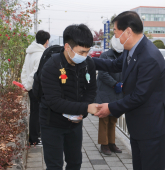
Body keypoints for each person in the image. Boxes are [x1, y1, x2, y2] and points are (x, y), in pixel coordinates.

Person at [92, 11, 165, 170]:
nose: (115, 36)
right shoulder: (131, 49)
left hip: (151, 129)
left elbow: (139, 96)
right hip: (138, 126)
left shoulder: (150, 57)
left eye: (115, 32)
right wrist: (88, 61)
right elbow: (114, 65)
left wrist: (111, 108)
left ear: (128, 31)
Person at [39, 24, 97, 170]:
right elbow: (55, 102)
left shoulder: (87, 63)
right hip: (52, 122)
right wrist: (86, 108)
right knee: (55, 166)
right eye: (81, 52)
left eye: (87, 52)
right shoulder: (51, 66)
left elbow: (91, 90)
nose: (84, 56)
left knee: (75, 163)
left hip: (75, 123)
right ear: (67, 47)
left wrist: (81, 113)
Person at [21, 30, 50, 145]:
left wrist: (25, 85)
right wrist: (28, 86)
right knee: (37, 113)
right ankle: (35, 138)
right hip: (36, 88)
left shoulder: (30, 52)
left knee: (34, 112)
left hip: (30, 87)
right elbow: (34, 74)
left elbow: (24, 70)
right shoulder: (40, 55)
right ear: (47, 41)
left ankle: (34, 137)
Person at [95, 44, 123, 155]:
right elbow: (103, 73)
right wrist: (114, 84)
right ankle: (104, 144)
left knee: (113, 119)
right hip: (105, 91)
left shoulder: (124, 56)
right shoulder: (105, 55)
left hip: (117, 92)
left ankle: (112, 143)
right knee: (104, 118)